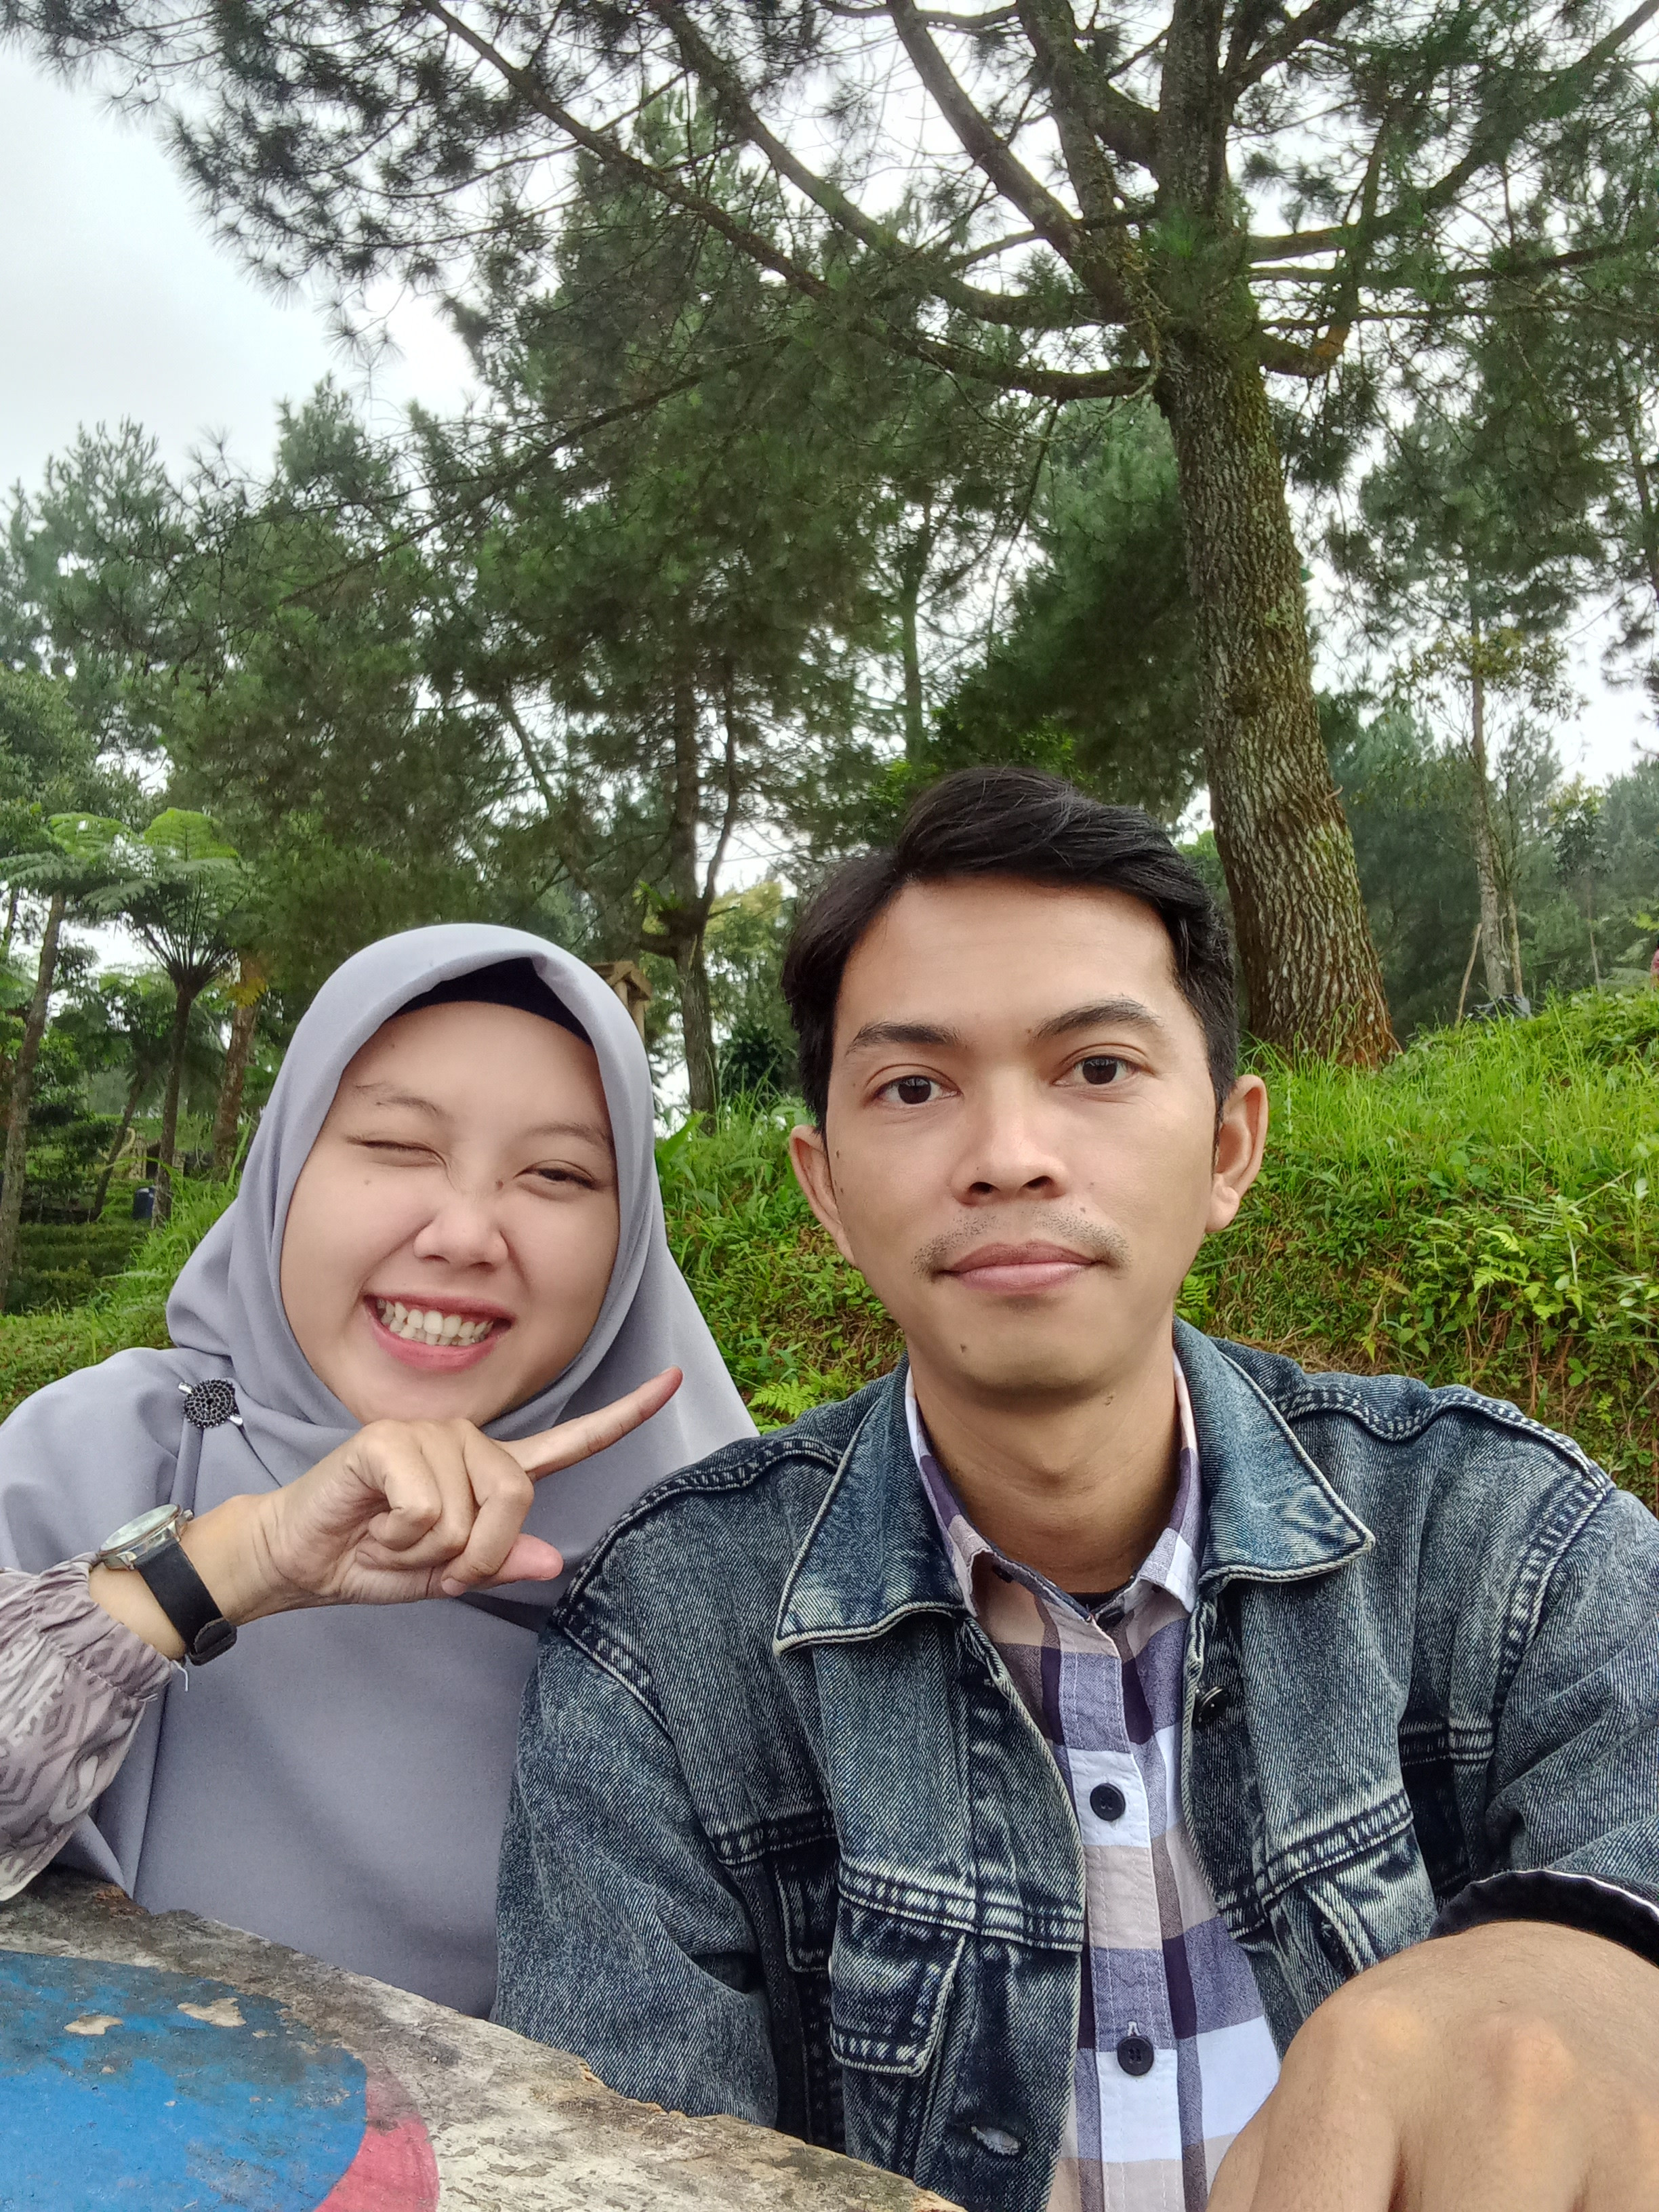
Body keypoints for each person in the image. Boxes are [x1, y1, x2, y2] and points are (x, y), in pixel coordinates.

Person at [496, 772, 1659, 2212]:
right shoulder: (665, 1641)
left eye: (1097, 1069)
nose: (1008, 1158)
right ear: (827, 1190)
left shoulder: (1502, 1538)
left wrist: (1586, 1957)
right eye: (913, 1089)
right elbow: (622, 2166)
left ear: (1230, 1147)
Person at [0, 925, 752, 2015]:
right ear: (283, 1172)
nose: (466, 1233)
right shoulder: (125, 1443)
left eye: (557, 1173)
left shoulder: (738, 1559)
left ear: (630, 1238)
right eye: (399, 1147)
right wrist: (228, 1564)